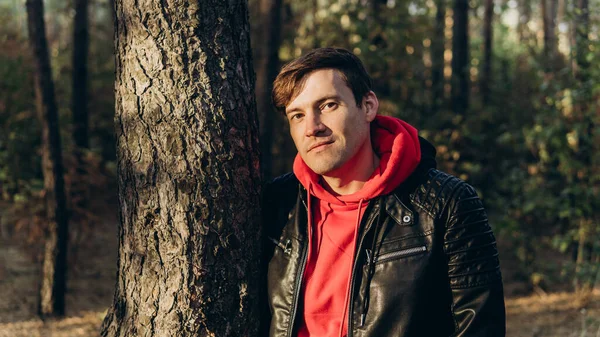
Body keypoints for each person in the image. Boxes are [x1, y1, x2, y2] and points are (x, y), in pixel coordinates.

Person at [262, 47, 505, 337]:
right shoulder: (277, 204)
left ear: (368, 106)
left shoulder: (446, 203)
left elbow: (480, 328)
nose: (312, 128)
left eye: (328, 105)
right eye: (297, 115)